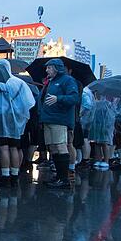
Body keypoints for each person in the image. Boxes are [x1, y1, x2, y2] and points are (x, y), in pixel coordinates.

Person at [0, 62, 36, 186]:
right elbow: (29, 102)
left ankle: (5, 175)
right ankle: (15, 175)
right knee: (14, 147)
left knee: (3, 147)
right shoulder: (19, 83)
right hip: (16, 119)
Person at [37, 58, 79, 188]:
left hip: (59, 119)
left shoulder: (67, 80)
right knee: (53, 147)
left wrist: (58, 98)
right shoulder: (50, 82)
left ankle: (64, 179)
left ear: (56, 68)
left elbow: (74, 98)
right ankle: (58, 176)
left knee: (60, 146)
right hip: (47, 119)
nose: (46, 70)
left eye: (49, 67)